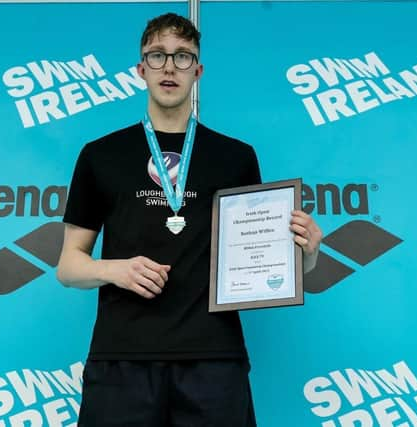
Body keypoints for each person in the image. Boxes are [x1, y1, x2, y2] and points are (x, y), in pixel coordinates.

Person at [56, 12, 322, 427]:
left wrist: (306, 254)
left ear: (197, 70)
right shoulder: (99, 155)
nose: (169, 67)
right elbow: (69, 266)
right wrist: (117, 270)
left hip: (214, 360)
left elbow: (263, 264)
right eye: (157, 56)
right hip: (123, 358)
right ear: (140, 69)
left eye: (183, 57)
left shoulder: (236, 157)